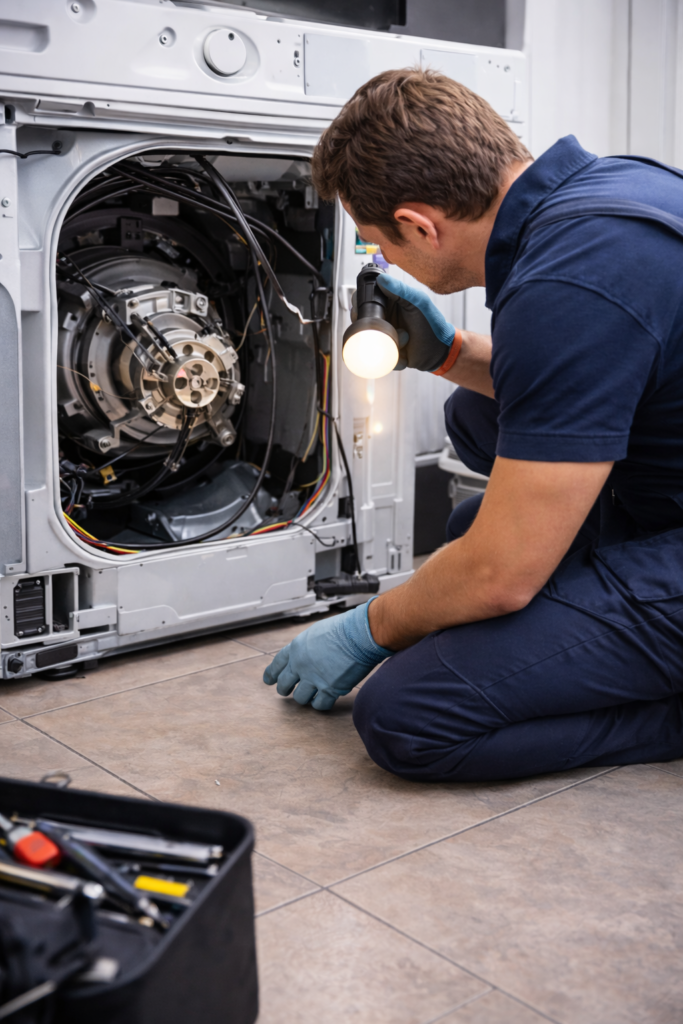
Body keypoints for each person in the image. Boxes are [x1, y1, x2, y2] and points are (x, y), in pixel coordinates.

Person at [263, 67, 683, 782]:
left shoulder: (566, 283)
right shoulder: (616, 190)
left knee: (409, 714)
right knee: (473, 423)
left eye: (382, 246)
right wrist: (451, 355)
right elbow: (591, 381)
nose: (388, 263)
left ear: (419, 224)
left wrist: (369, 627)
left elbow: (498, 577)